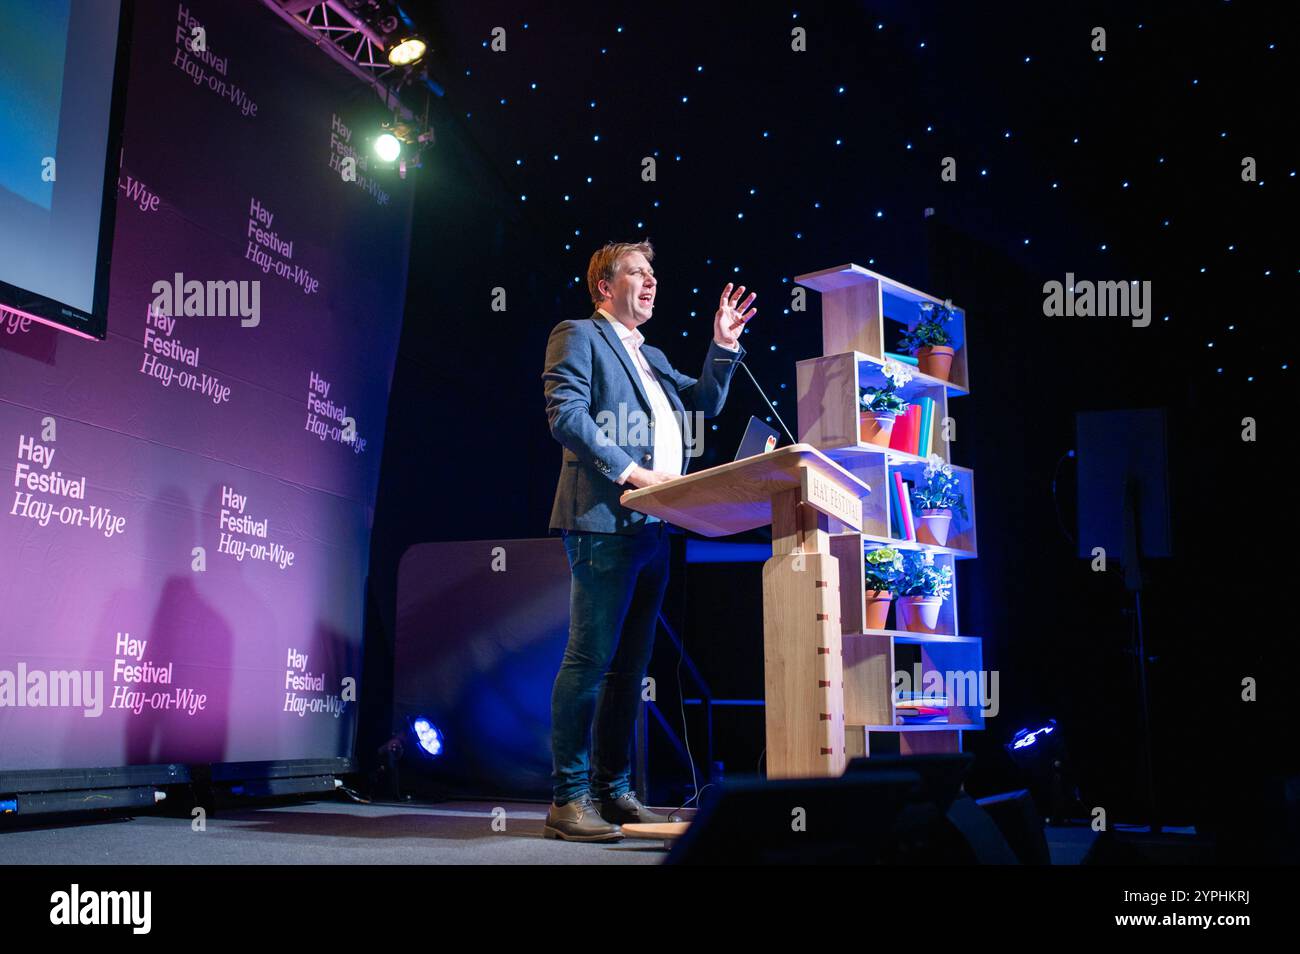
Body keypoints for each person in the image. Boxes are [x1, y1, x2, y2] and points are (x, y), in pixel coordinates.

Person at [540, 239, 756, 841]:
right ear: (605, 286)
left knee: (629, 671)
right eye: (637, 271)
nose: (651, 280)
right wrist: (631, 472)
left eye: (653, 272)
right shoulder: (579, 334)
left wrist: (724, 344)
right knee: (589, 662)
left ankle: (614, 792)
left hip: (654, 528)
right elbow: (567, 415)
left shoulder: (652, 354)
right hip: (603, 524)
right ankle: (568, 799)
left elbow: (705, 403)